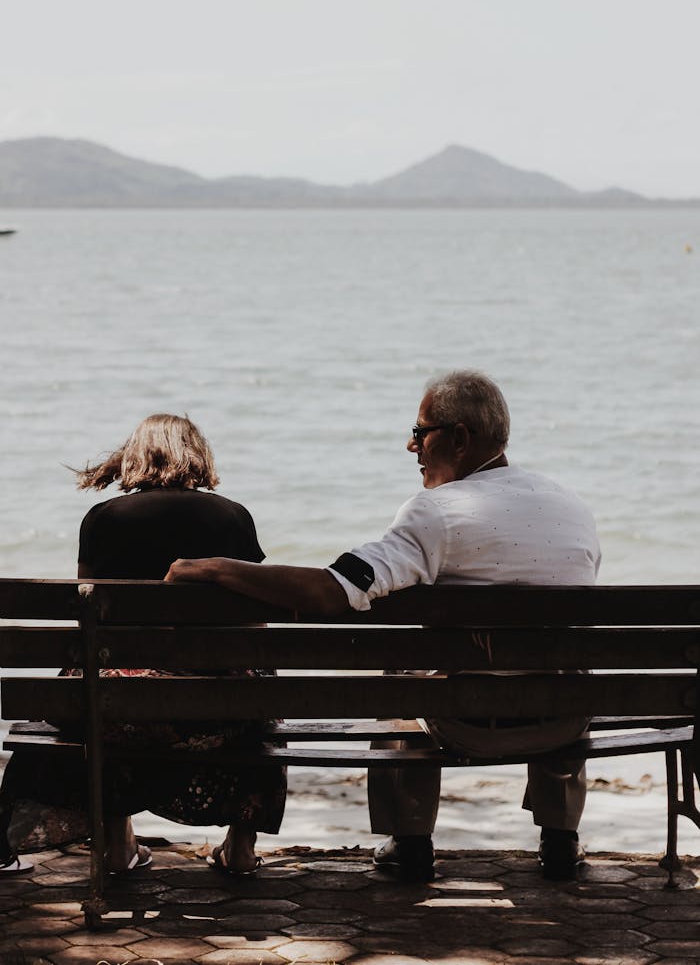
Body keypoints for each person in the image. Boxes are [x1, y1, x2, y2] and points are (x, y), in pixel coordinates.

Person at [165, 372, 601, 882]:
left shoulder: (435, 514)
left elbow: (333, 590)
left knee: (401, 679)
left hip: (464, 722)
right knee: (553, 667)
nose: (410, 445)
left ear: (459, 439)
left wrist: (216, 568)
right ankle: (560, 839)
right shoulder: (572, 507)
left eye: (421, 432)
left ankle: (410, 841)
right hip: (561, 719)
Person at [0, 414, 286, 877]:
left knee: (110, 682)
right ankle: (240, 850)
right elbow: (252, 627)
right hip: (218, 710)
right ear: (197, 454)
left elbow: (90, 620)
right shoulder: (233, 516)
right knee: (257, 676)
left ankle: (117, 846)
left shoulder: (103, 519)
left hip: (118, 713)